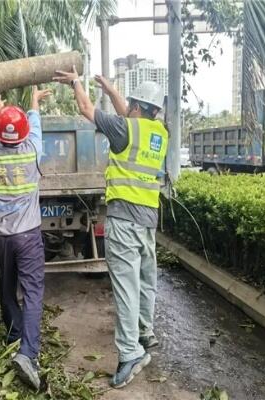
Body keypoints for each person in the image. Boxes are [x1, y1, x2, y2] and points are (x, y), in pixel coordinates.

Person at [53, 67, 169, 389]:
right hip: (148, 221)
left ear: (135, 106)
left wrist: (77, 83)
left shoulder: (124, 130)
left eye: (129, 104)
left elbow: (87, 109)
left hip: (124, 221)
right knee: (146, 282)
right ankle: (145, 334)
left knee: (126, 288)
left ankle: (130, 354)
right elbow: (128, 117)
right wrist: (110, 87)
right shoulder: (159, 133)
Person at [0, 86, 51, 390]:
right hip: (27, 236)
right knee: (33, 292)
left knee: (6, 287)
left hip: (1, 237)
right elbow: (34, 127)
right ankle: (28, 353)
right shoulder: (33, 151)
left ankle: (13, 334)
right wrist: (34, 103)